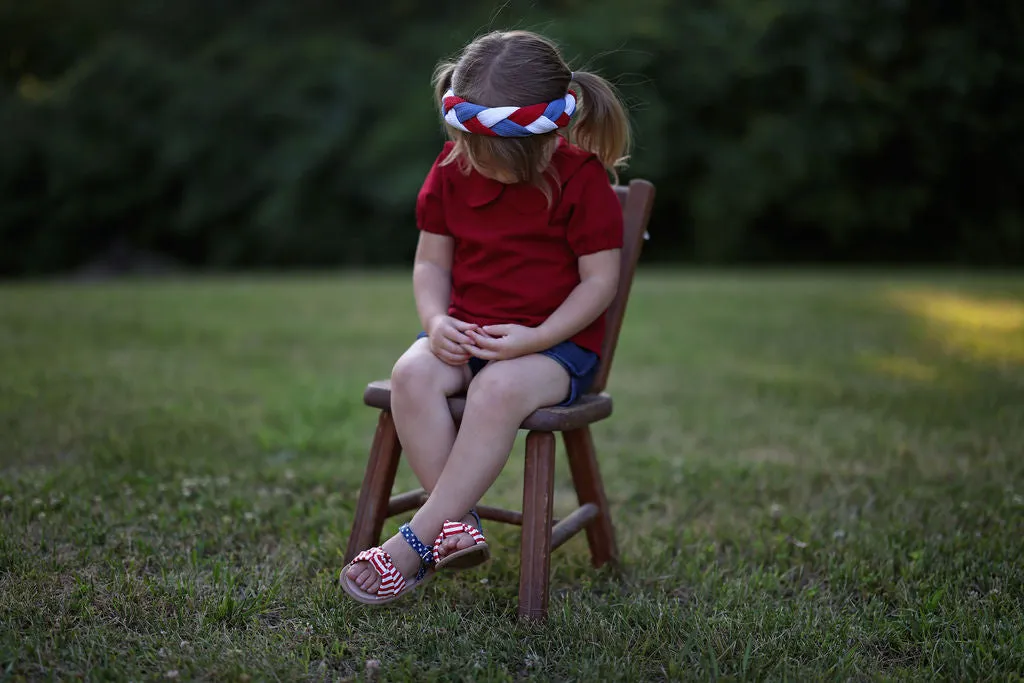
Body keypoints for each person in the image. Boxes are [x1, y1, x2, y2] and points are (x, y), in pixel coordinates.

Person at [340, 29, 631, 604]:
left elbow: (600, 283)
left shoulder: (580, 178)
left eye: (503, 163)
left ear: (549, 141)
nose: (487, 169)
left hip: (553, 347)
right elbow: (430, 263)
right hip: (467, 328)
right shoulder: (452, 166)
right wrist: (436, 319)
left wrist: (535, 337)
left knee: (496, 389)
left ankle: (419, 538)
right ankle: (460, 526)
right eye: (480, 155)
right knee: (412, 374)